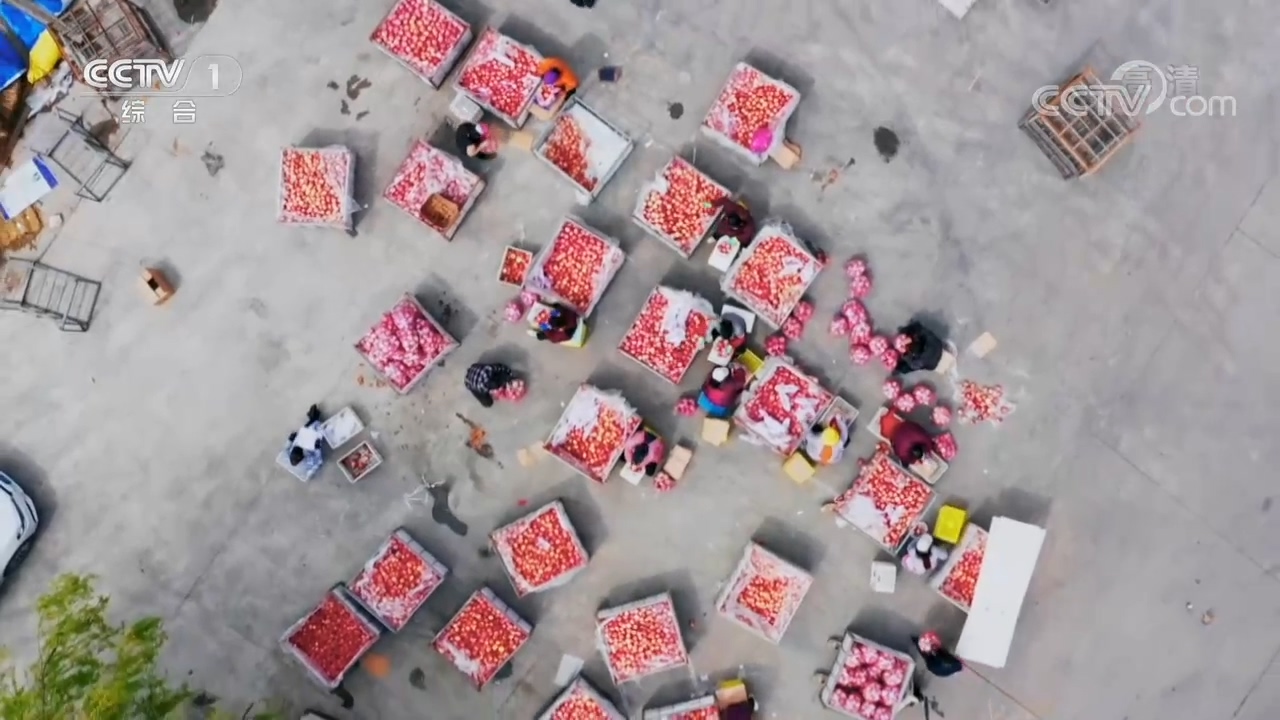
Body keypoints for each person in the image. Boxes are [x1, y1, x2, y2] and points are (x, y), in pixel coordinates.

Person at [285, 404, 325, 477]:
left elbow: (286, 449)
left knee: (305, 429)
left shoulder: (290, 453)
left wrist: (290, 439)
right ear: (302, 457)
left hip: (301, 441)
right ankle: (314, 418)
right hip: (312, 447)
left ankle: (313, 418)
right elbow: (319, 461)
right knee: (317, 429)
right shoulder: (309, 462)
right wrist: (317, 448)